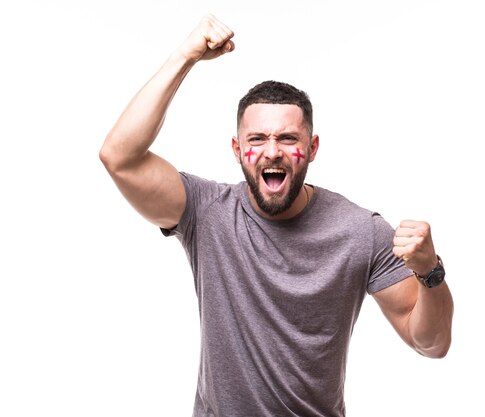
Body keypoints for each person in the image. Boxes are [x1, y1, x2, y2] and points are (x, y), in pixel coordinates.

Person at [99, 12, 454, 417]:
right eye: (257, 139)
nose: (272, 152)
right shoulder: (206, 212)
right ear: (236, 149)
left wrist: (430, 273)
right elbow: (120, 157)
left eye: (288, 138)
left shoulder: (361, 232)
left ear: (313, 147)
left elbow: (432, 342)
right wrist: (186, 55)